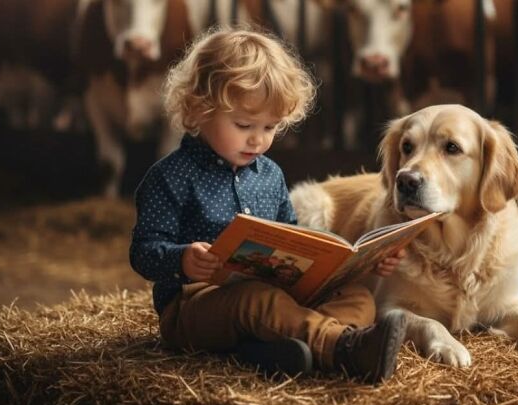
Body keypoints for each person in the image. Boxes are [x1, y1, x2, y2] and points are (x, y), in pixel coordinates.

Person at [129, 27, 407, 384]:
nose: (258, 139)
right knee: (256, 300)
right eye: (244, 124)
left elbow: (293, 236)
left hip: (276, 295)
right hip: (192, 307)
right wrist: (183, 258)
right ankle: (344, 348)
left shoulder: (270, 174)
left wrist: (357, 260)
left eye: (271, 126)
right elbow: (143, 252)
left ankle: (289, 349)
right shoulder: (169, 176)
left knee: (357, 296)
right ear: (199, 109)